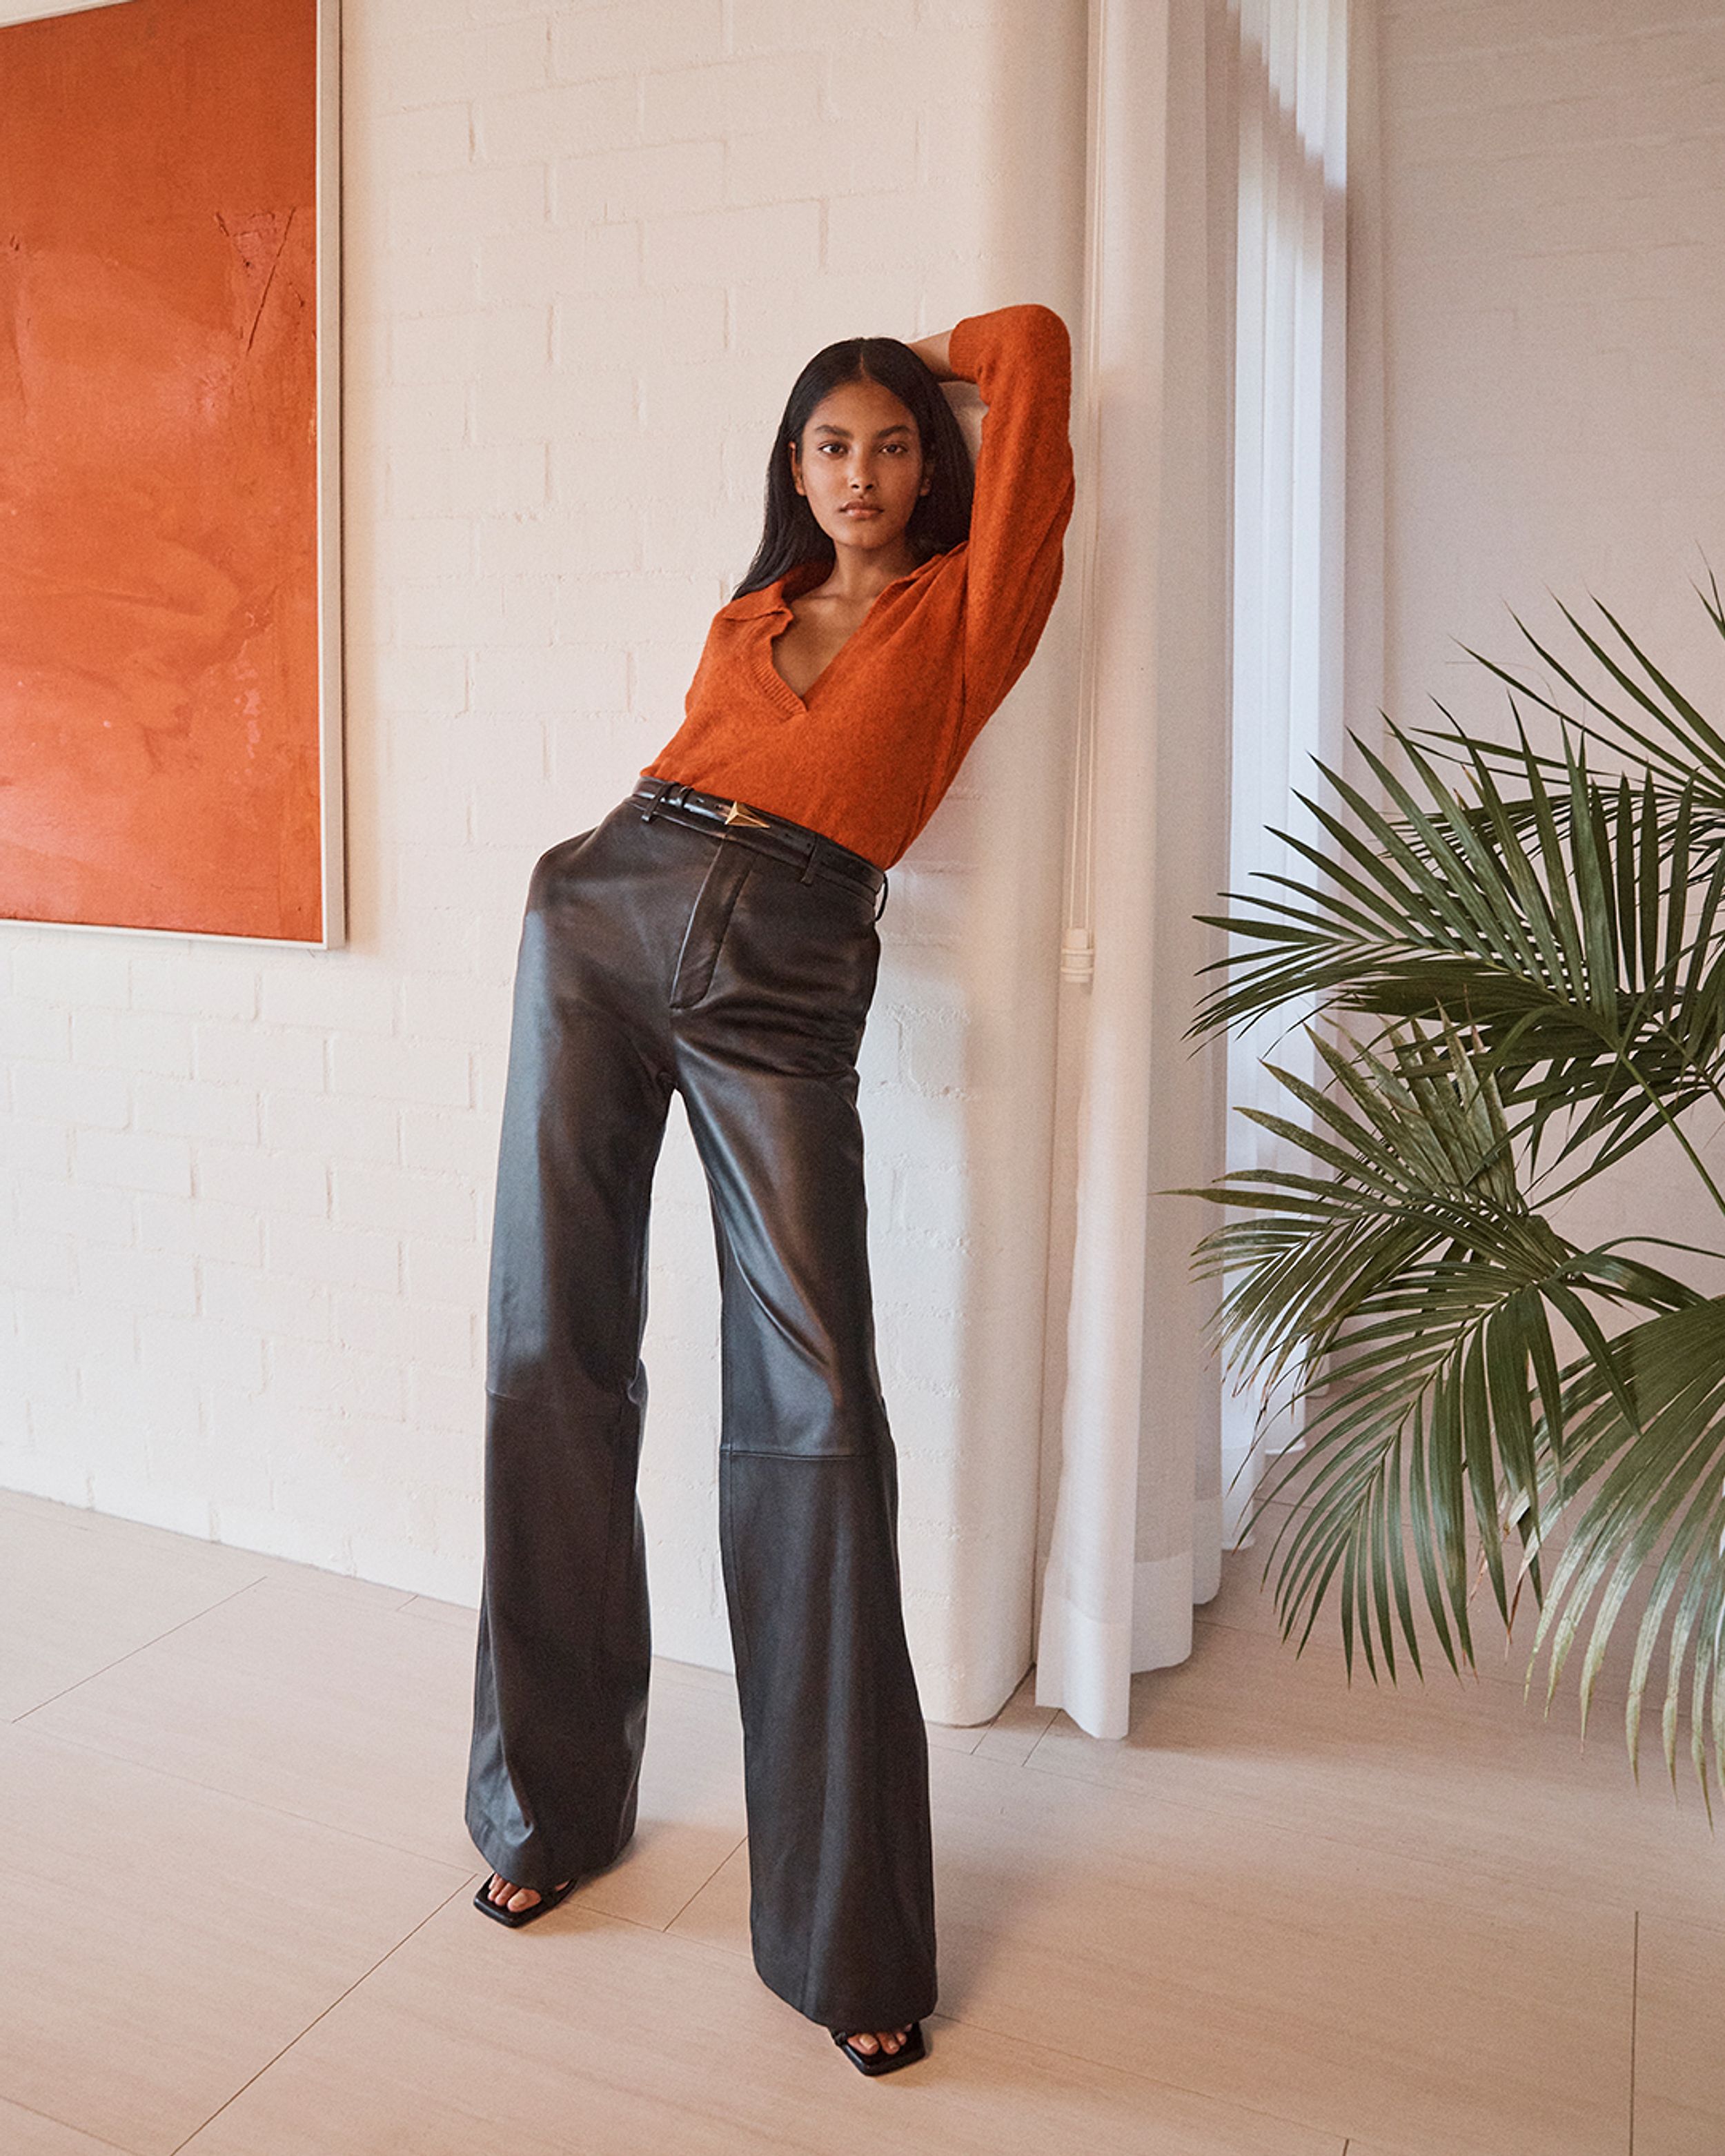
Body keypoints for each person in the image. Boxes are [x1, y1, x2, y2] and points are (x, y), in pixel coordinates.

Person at [464, 303, 1075, 2077]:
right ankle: (546, 1816)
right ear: (790, 469)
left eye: (892, 443)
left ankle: (847, 1938)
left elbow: (1031, 345)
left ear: (931, 465)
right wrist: (574, 880)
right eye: (830, 445)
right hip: (597, 914)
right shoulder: (747, 616)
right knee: (546, 1359)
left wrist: (928, 339)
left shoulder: (968, 610)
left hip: (785, 972)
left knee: (813, 1415)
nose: (864, 475)